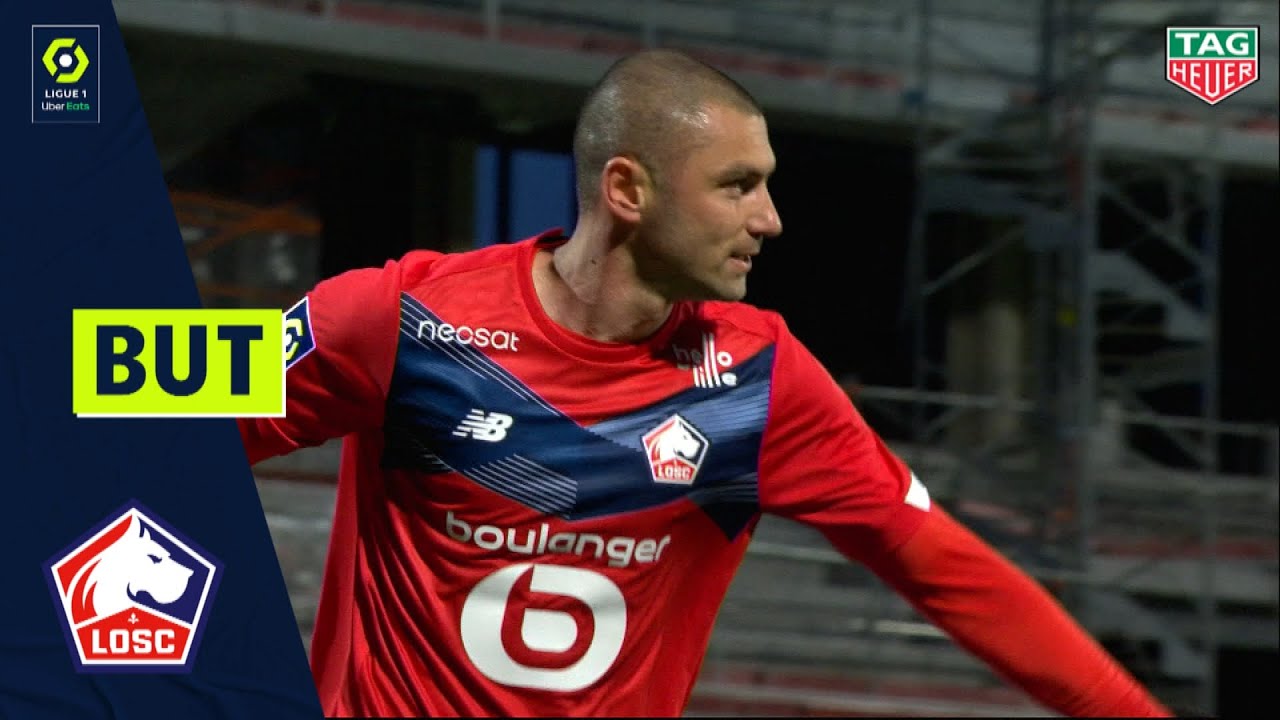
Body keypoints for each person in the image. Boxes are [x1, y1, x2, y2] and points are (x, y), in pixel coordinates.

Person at [238, 49, 1171, 717]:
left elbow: (948, 571)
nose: (770, 219)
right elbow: (119, 391)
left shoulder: (764, 380)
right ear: (627, 190)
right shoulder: (399, 317)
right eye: (737, 185)